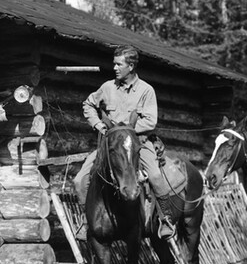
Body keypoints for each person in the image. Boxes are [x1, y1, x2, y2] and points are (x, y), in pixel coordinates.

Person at [73, 45, 176, 240]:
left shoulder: (146, 90)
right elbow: (88, 104)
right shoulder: (107, 88)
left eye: (119, 64)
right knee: (80, 180)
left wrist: (123, 132)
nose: (115, 68)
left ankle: (166, 219)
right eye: (114, 64)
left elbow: (150, 120)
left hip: (138, 143)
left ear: (131, 66)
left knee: (154, 175)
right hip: (110, 145)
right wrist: (98, 125)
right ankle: (87, 221)